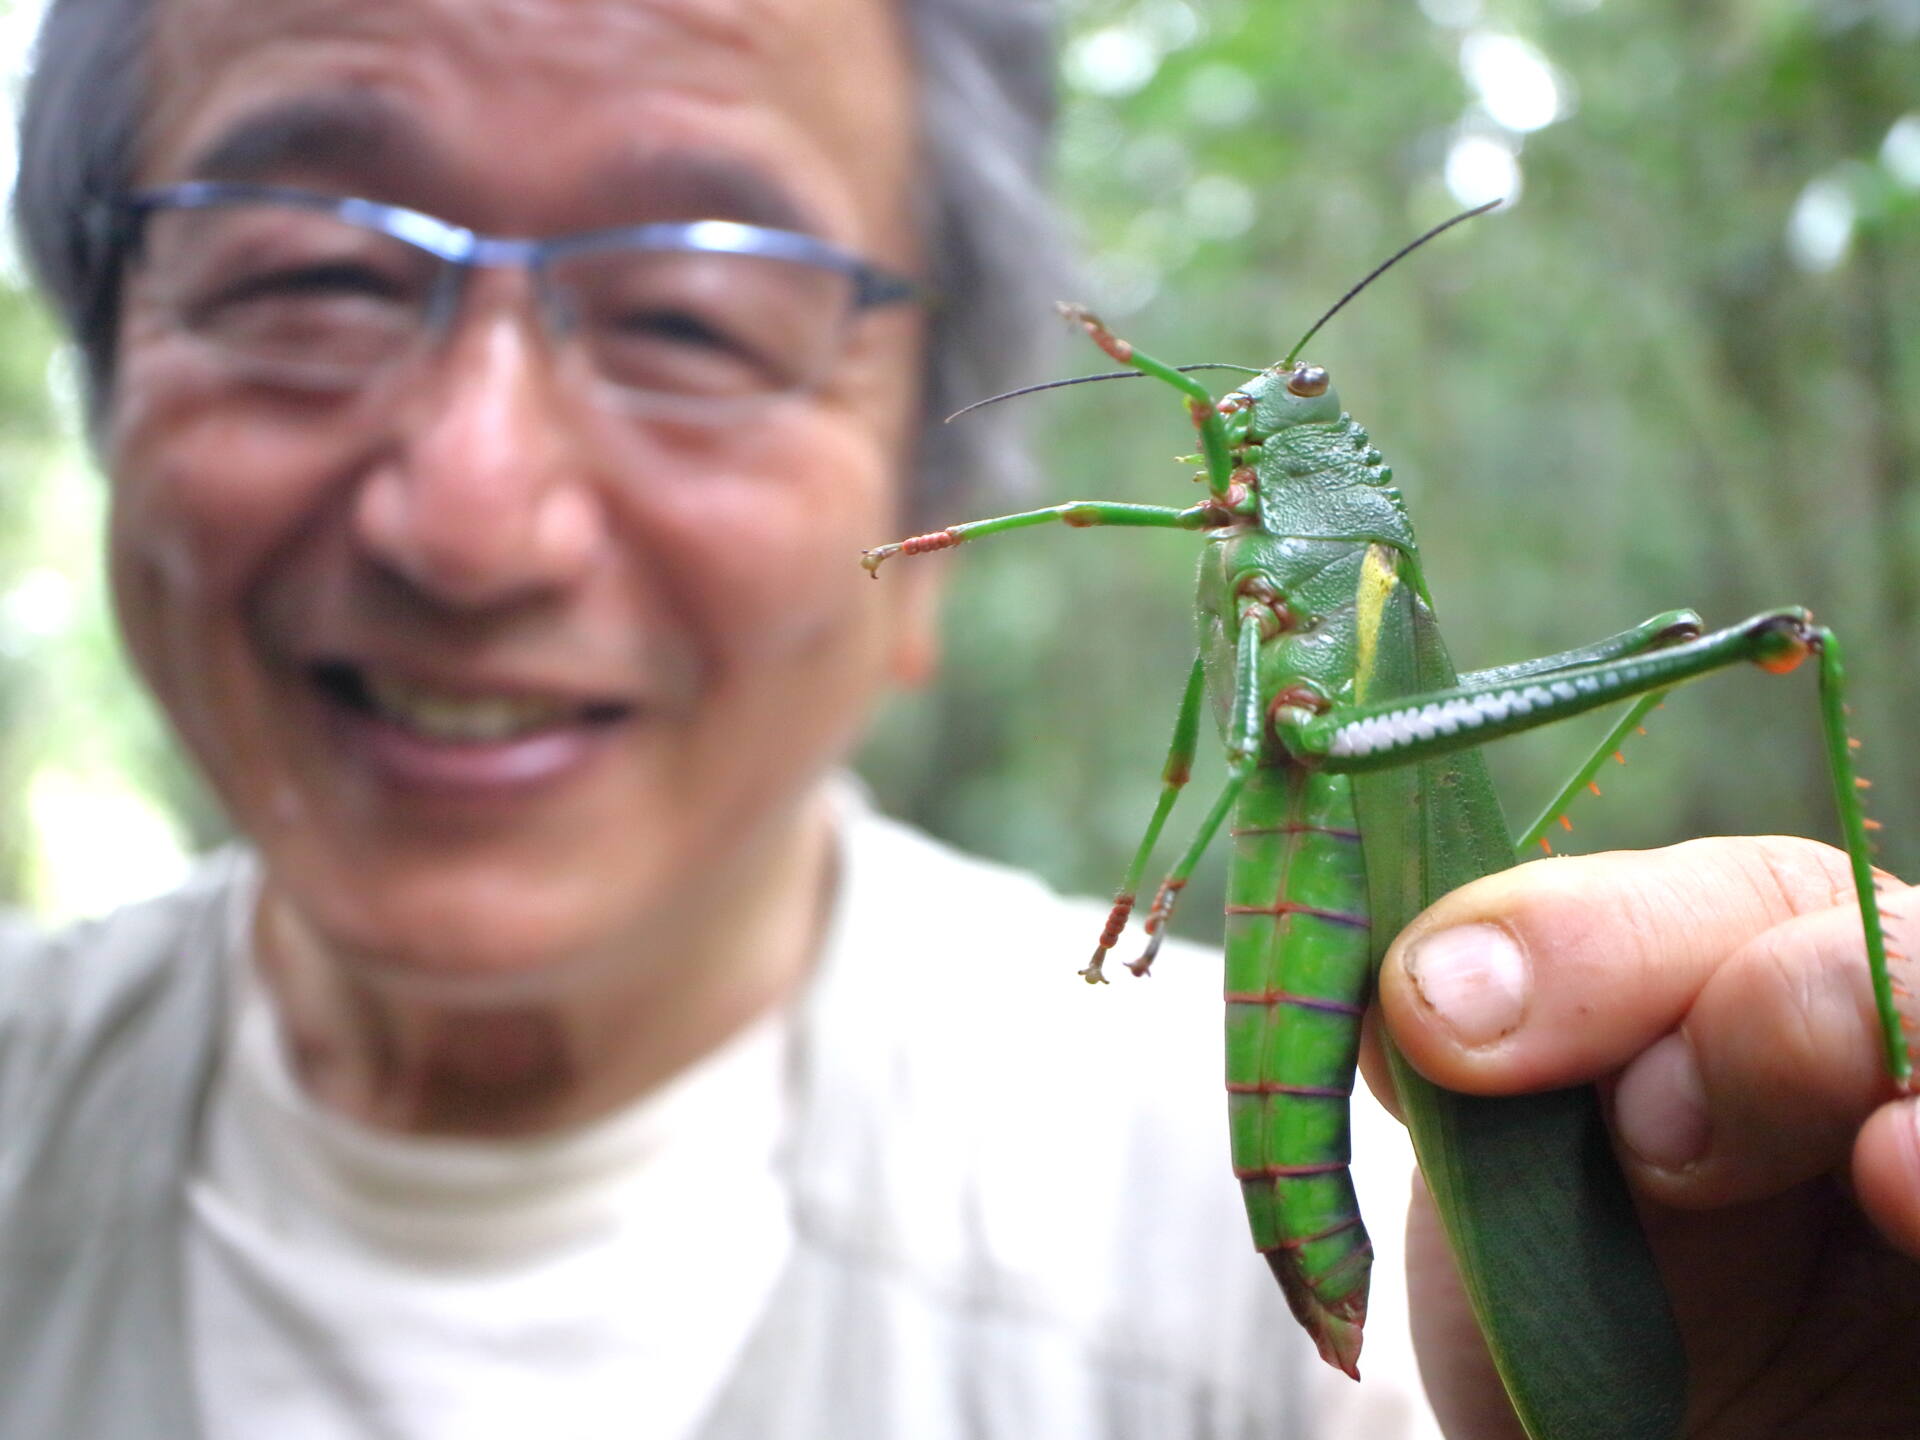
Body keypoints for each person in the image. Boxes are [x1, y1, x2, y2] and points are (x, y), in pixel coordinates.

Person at [0, 2, 1913, 1439]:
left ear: (911, 564)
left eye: (688, 309)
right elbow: (1202, 676)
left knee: (1716, 640)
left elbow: (1262, 706)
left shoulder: (1378, 1363)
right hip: (1272, 802)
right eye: (314, 269)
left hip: (1355, 906)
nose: (474, 515)